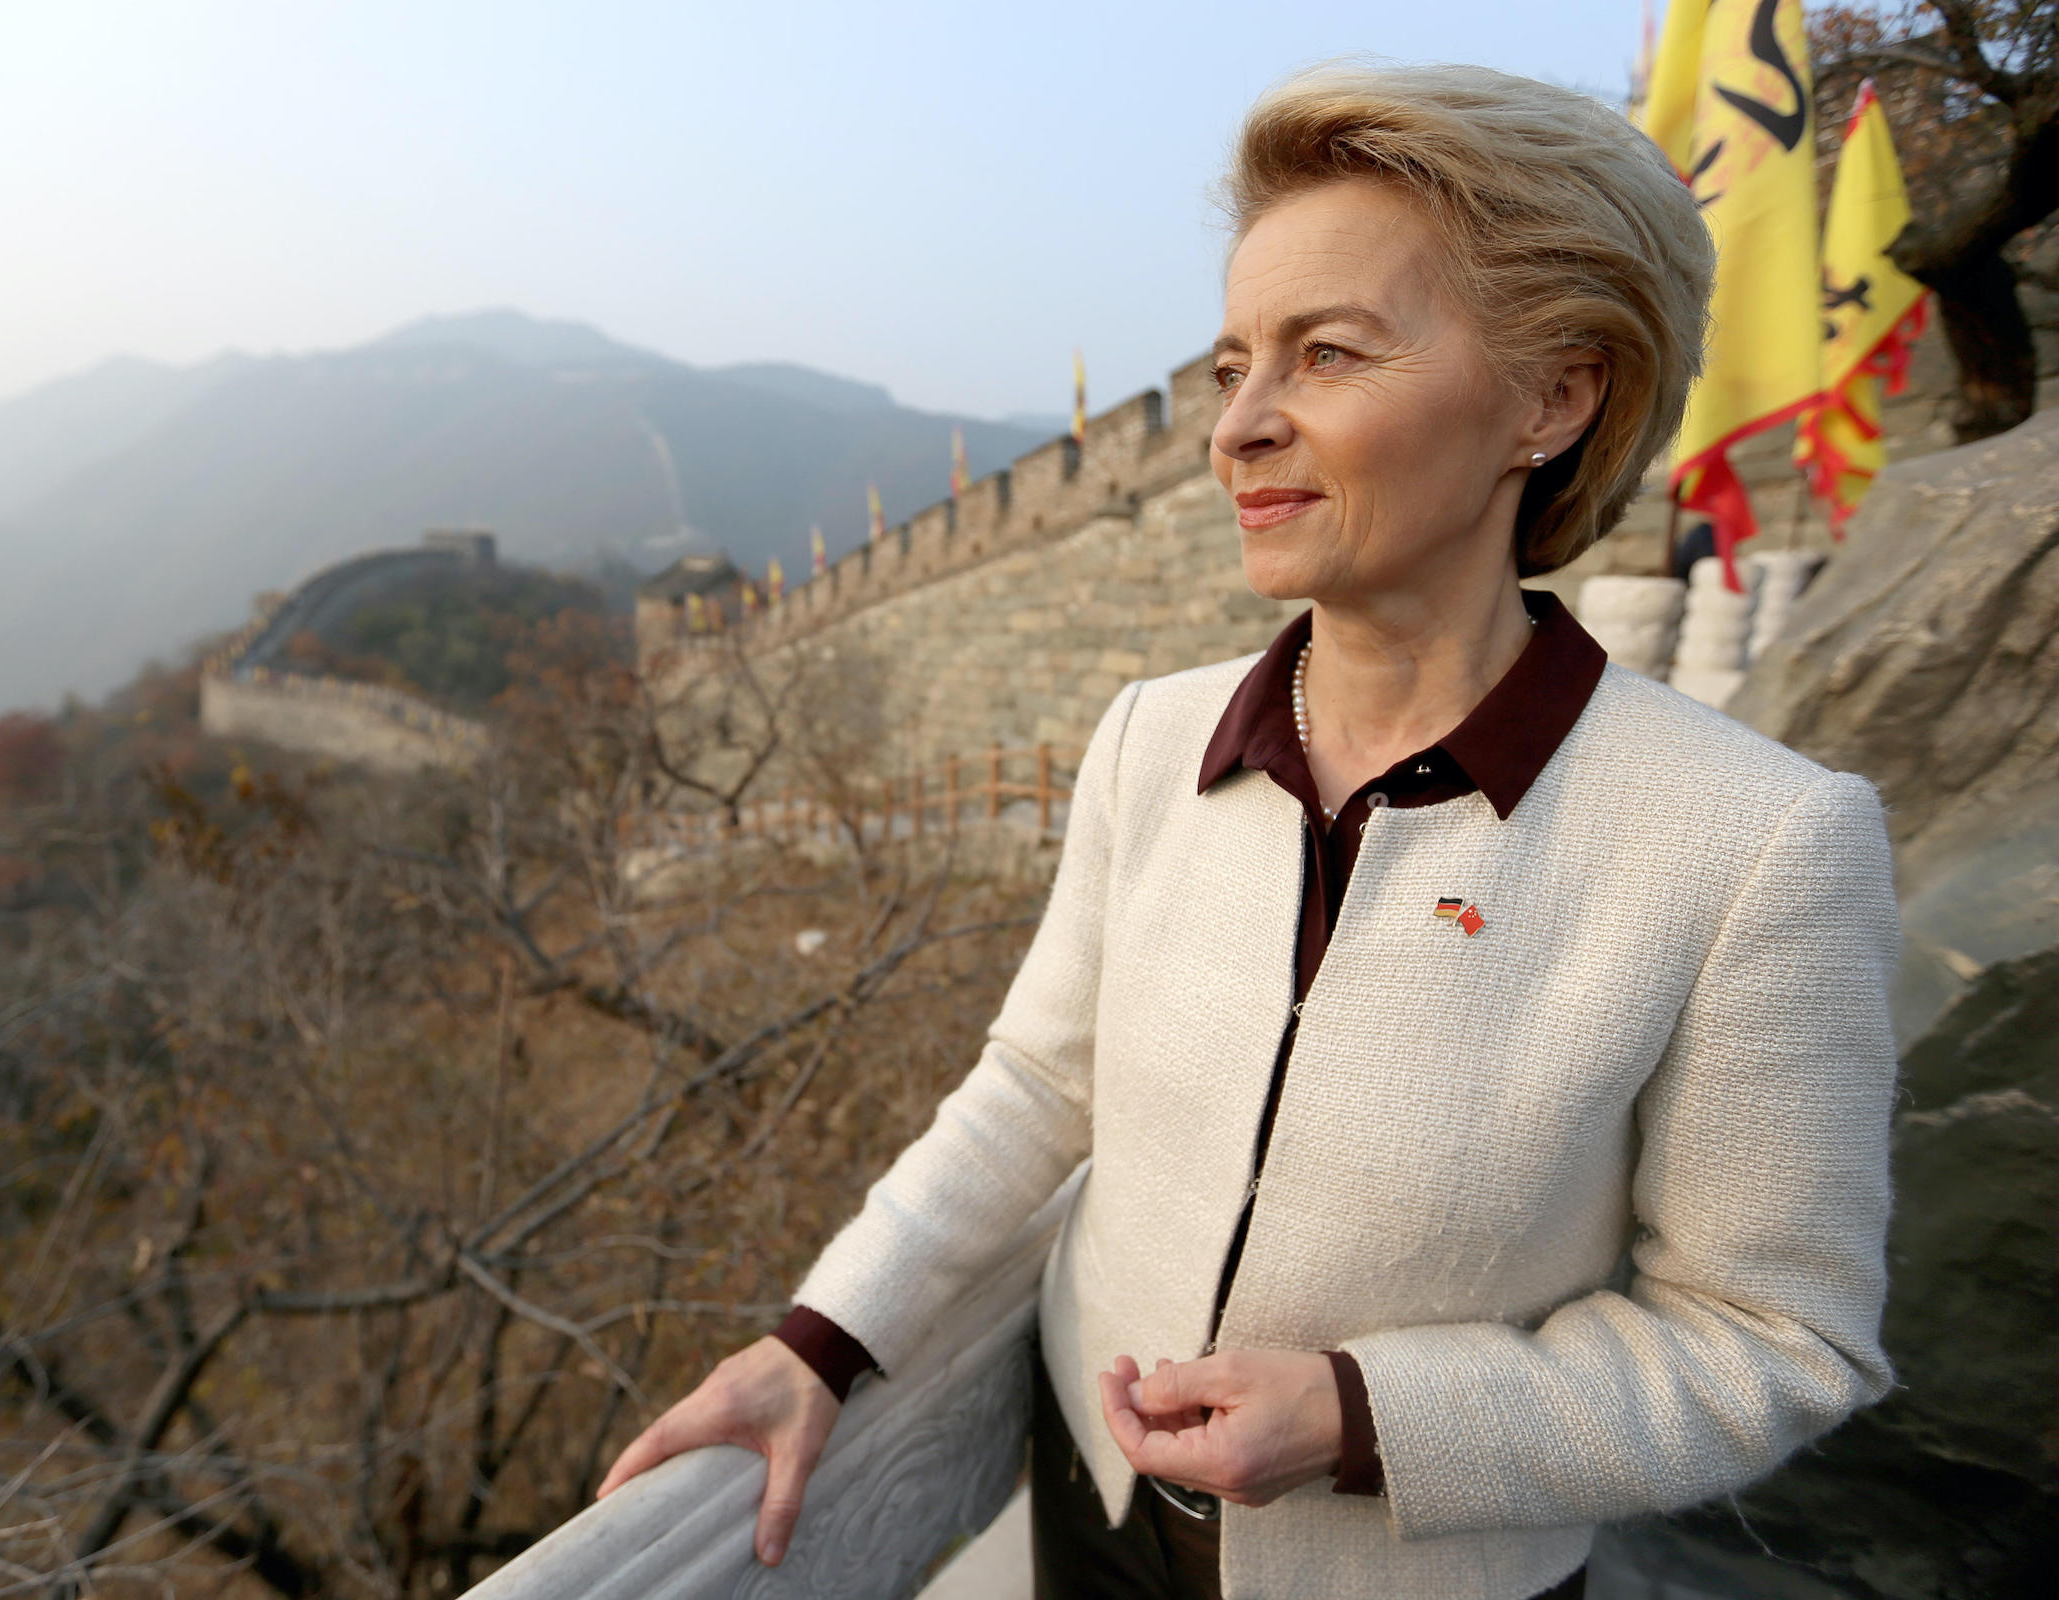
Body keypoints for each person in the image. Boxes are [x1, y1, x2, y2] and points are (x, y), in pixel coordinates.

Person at [598, 63, 1901, 1600]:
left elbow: (1776, 1340)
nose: (1238, 429)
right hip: (1091, 1508)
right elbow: (1037, 1086)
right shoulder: (1155, 742)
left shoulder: (1752, 844)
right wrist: (821, 1341)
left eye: (1326, 354)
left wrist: (1369, 1417)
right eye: (1232, 368)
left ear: (1554, 398)